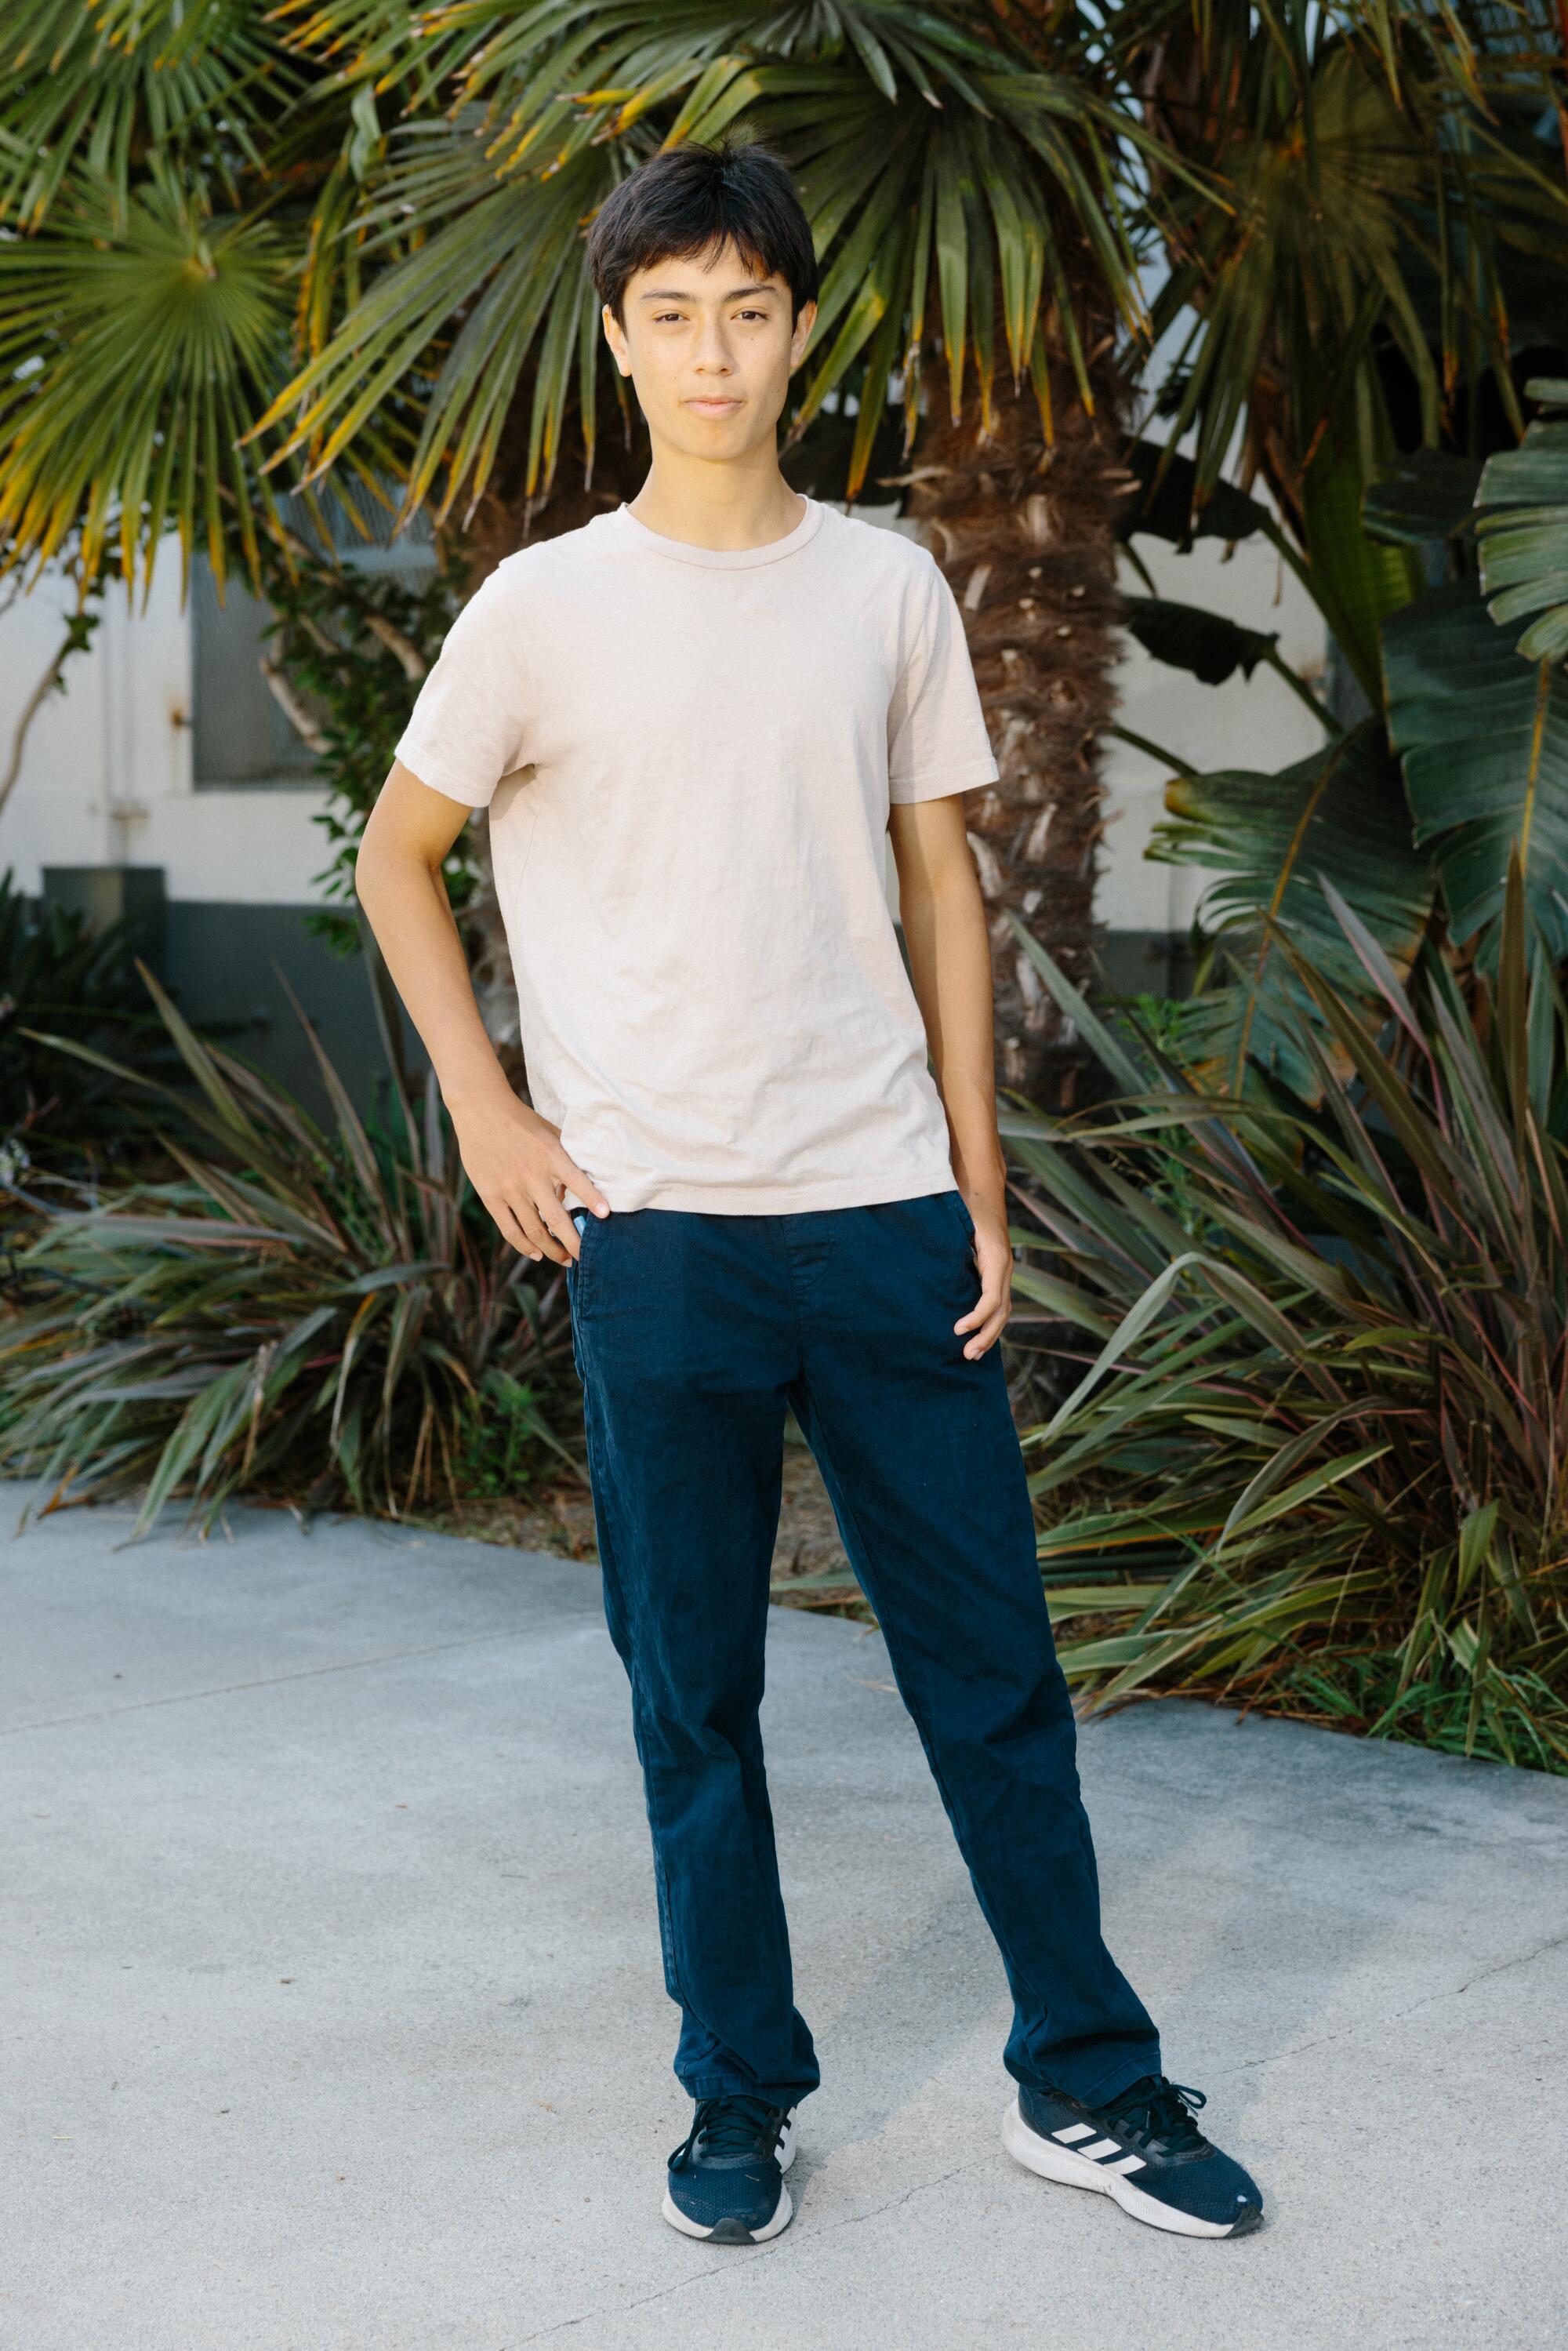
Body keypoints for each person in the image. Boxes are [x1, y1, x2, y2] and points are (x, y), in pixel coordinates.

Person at [354, 136, 1264, 2249]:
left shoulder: (880, 586)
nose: (709, 351)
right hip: (655, 1235)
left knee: (994, 1671)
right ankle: (739, 2091)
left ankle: (1089, 2081)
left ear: (798, 330)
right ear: (618, 341)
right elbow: (400, 856)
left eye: (745, 310)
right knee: (698, 1697)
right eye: (668, 315)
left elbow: (943, 882)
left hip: (878, 1220)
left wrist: (981, 1181)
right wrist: (492, 1117)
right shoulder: (542, 608)